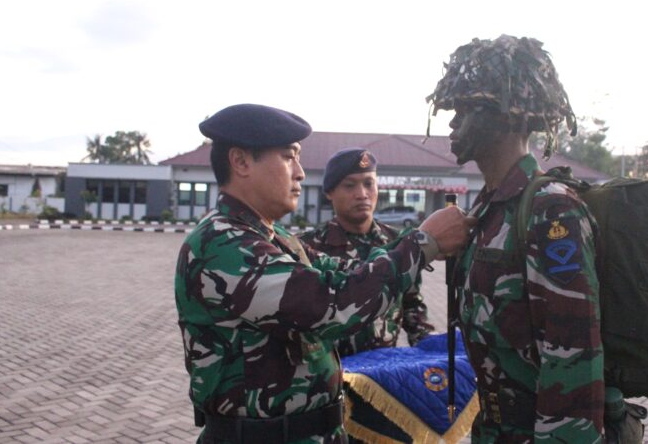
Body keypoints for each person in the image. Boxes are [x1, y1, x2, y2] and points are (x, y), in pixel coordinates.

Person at [174, 103, 474, 444]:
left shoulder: (278, 238)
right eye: (289, 157)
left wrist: (419, 242)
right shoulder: (222, 244)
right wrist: (424, 244)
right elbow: (331, 303)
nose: (300, 172)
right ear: (241, 162)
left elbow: (350, 274)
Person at [426, 35, 605, 443]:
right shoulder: (488, 210)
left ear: (510, 115)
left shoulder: (549, 210)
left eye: (466, 109)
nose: (452, 123)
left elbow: (573, 357)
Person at [299, 148, 435, 355]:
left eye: (368, 184)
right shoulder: (308, 247)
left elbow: (411, 303)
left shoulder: (400, 243)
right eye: (349, 185)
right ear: (329, 192)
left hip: (384, 374)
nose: (362, 194)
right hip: (333, 373)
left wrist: (430, 349)